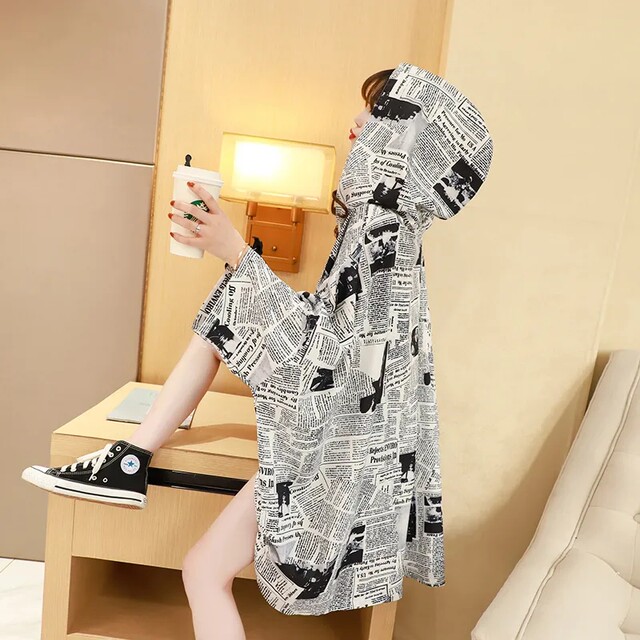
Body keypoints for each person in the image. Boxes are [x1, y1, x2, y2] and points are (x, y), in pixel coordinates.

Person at [21, 67, 396, 640]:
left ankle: (130, 459)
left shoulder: (384, 234)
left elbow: (336, 356)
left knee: (203, 571)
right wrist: (238, 262)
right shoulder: (373, 224)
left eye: (373, 112)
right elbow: (333, 335)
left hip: (337, 449)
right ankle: (131, 458)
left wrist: (236, 252)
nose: (355, 121)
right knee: (202, 570)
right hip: (330, 437)